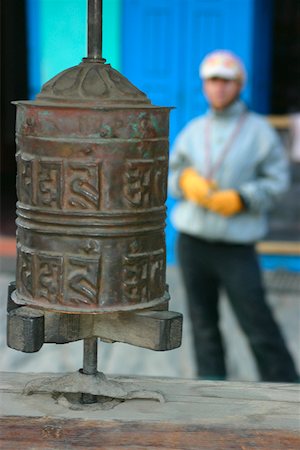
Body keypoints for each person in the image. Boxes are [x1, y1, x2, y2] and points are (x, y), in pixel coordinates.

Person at [168, 49, 299, 382]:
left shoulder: (260, 132)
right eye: (213, 81)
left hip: (235, 247)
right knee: (202, 323)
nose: (219, 88)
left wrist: (243, 198)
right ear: (204, 85)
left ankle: (285, 389)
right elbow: (168, 175)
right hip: (193, 242)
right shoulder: (194, 131)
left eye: (227, 81)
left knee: (256, 322)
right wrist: (185, 181)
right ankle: (210, 389)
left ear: (240, 84)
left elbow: (277, 182)